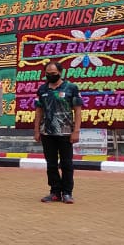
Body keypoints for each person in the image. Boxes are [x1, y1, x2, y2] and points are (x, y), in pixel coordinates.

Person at [33, 61, 83, 204]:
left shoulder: (71, 88)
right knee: (51, 164)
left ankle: (67, 192)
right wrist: (36, 130)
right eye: (48, 74)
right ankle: (55, 191)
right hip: (47, 133)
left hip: (66, 132)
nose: (50, 76)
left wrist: (76, 131)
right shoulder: (42, 89)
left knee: (67, 163)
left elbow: (78, 111)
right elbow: (38, 111)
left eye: (53, 74)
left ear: (60, 72)